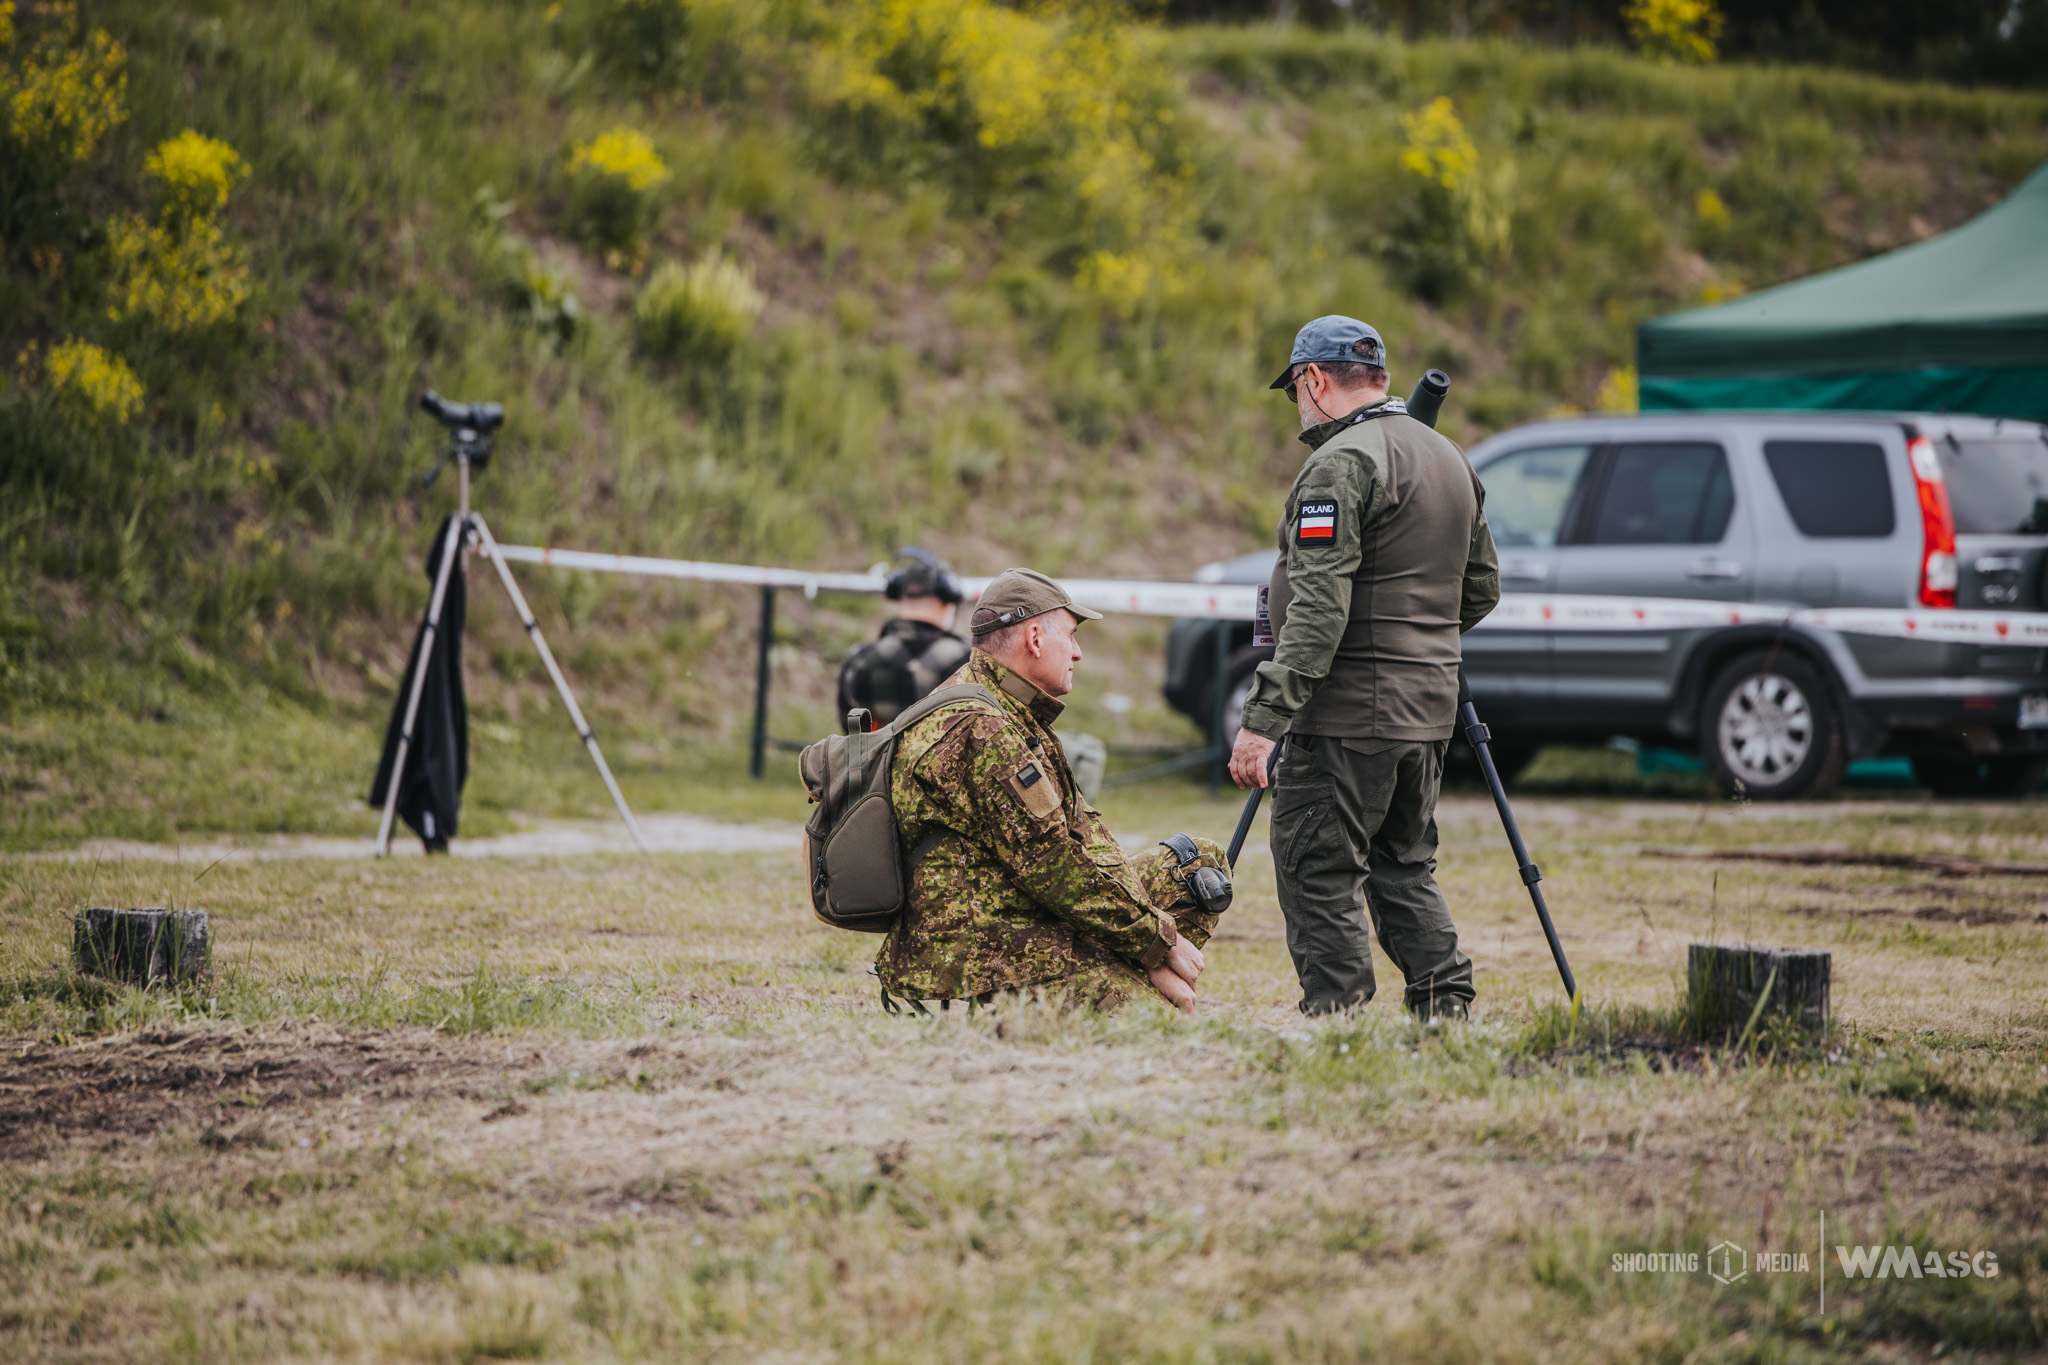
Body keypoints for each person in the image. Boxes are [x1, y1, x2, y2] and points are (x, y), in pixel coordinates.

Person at [1227, 316, 1500, 1019]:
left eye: (1295, 390)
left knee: (1317, 864)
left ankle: (1336, 1023)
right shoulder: (1448, 456)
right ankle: (1446, 1012)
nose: (1298, 406)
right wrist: (1413, 644)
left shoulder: (1343, 462)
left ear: (1314, 379)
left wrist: (1263, 721)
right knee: (1404, 866)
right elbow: (1480, 590)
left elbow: (1317, 611)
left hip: (1349, 715)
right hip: (1428, 712)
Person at [877, 568, 1229, 1014]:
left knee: (1195, 865)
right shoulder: (984, 729)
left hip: (1022, 914)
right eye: (1072, 635)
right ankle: (1008, 1013)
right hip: (986, 953)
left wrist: (1152, 943)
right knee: (1152, 1026)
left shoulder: (1008, 707)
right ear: (1036, 638)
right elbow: (1054, 868)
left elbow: (1086, 838)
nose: (1078, 653)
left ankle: (1125, 977)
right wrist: (1157, 946)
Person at [838, 547, 974, 727]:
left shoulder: (857, 663)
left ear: (902, 598)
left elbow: (852, 736)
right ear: (948, 602)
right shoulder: (968, 663)